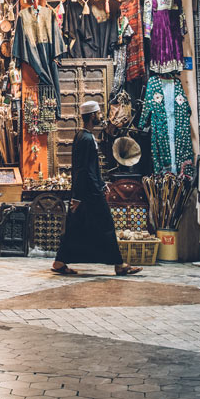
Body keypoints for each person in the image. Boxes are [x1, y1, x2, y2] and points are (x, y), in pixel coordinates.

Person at [53, 101, 138, 276]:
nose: (101, 116)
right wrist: (78, 195)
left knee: (76, 226)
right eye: (99, 113)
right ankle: (119, 264)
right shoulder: (85, 138)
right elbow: (82, 169)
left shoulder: (82, 136)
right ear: (92, 115)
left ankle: (60, 261)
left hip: (88, 190)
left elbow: (89, 167)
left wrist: (100, 183)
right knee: (106, 225)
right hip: (89, 193)